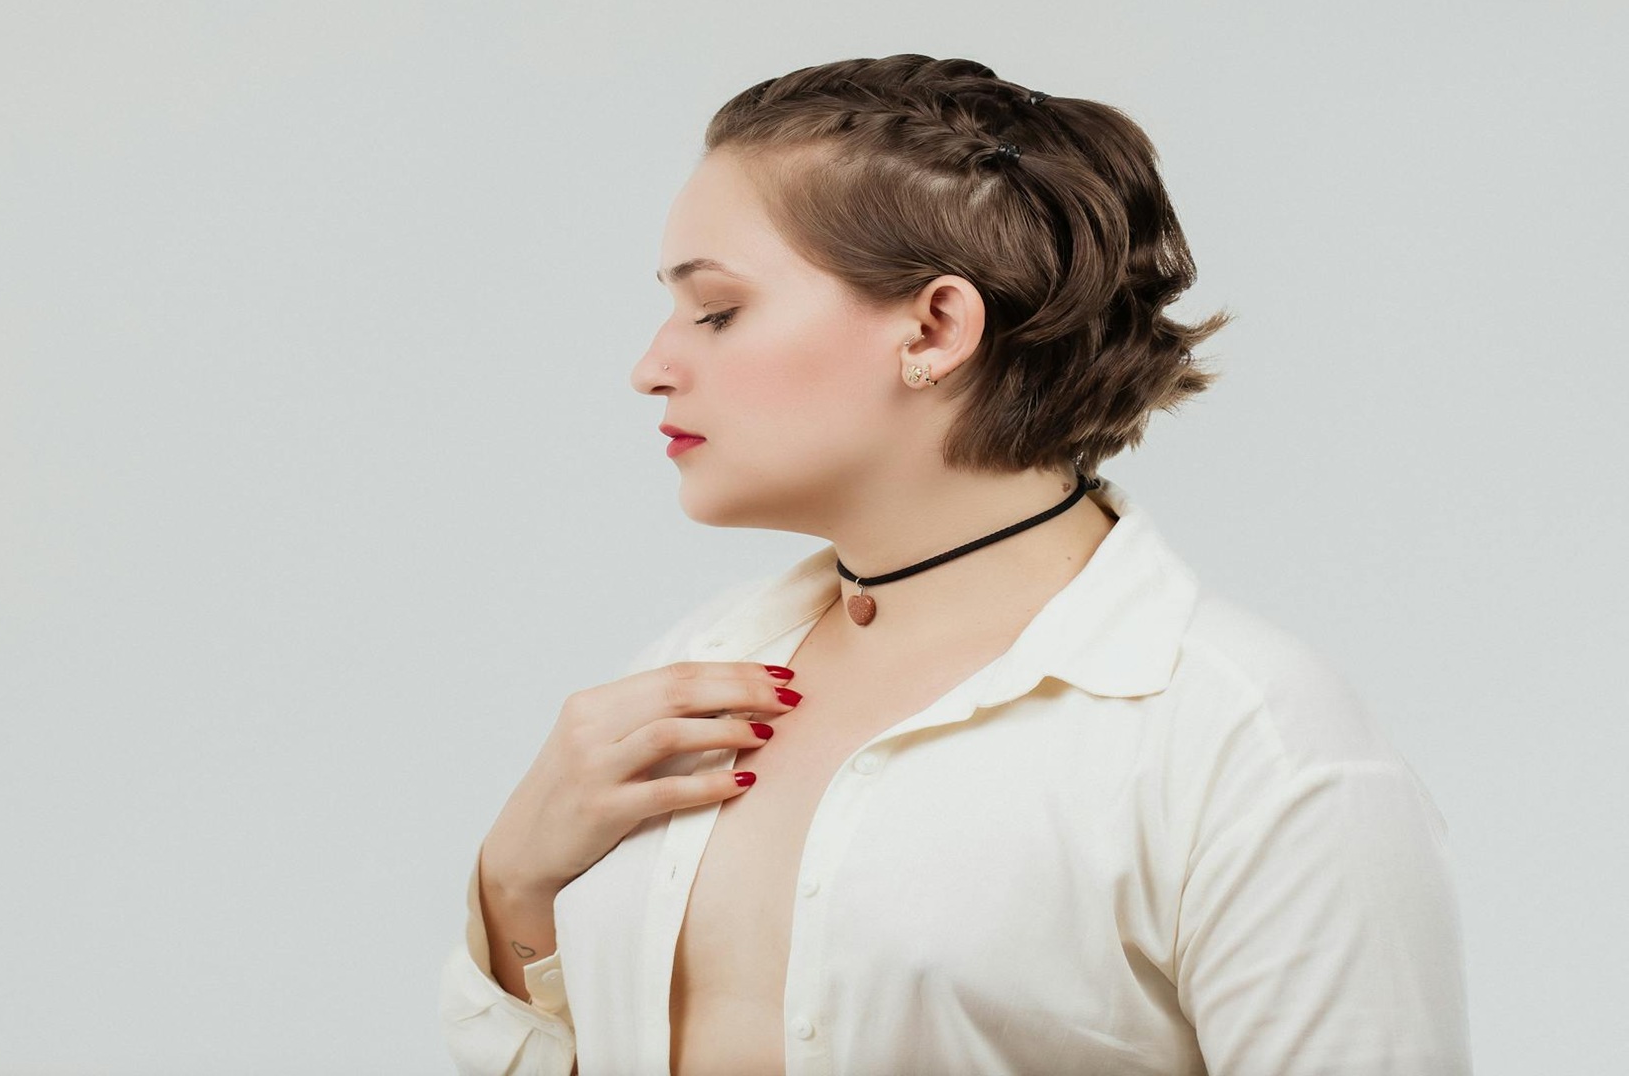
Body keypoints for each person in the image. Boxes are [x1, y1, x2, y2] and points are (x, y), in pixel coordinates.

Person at [438, 53, 1471, 1075]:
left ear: (934, 328)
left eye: (716, 311)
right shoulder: (689, 674)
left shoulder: (1246, 745)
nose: (651, 367)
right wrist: (516, 886)